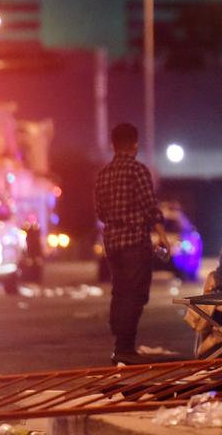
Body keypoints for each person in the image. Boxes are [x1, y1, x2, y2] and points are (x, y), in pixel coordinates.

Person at [94, 123, 170, 365]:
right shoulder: (138, 171)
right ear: (135, 144)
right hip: (135, 243)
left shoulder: (102, 174)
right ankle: (125, 347)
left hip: (112, 244)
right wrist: (162, 235)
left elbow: (101, 213)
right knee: (135, 294)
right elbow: (149, 207)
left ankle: (120, 344)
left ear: (112, 145)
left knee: (119, 292)